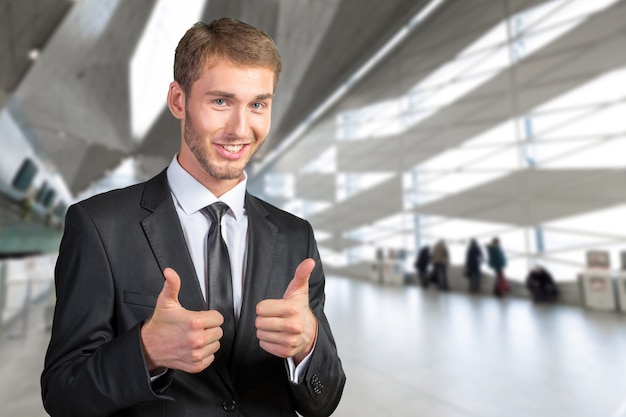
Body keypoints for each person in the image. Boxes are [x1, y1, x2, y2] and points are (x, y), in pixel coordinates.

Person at [41, 18, 345, 417]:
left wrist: (308, 346)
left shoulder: (294, 237)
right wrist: (145, 351)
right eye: (221, 101)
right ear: (178, 100)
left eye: (258, 104)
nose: (240, 128)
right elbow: (63, 395)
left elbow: (325, 401)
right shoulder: (100, 227)